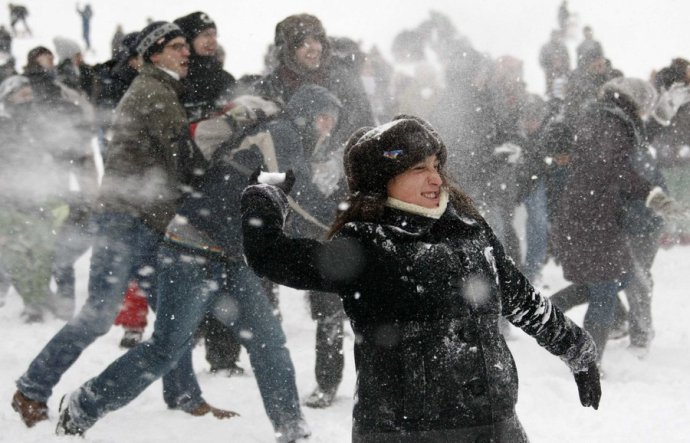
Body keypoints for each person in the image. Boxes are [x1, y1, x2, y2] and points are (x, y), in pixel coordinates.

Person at [241, 115, 601, 442]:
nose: (435, 178)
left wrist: (576, 350)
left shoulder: (470, 230)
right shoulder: (367, 245)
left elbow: (523, 300)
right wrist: (265, 198)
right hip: (405, 433)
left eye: (436, 165)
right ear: (384, 181)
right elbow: (271, 257)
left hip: (495, 428)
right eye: (418, 168)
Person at [53, 87, 331, 443]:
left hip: (231, 256)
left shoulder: (292, 142)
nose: (326, 127)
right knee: (166, 349)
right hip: (191, 248)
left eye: (331, 121)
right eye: (323, 116)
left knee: (268, 342)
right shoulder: (283, 133)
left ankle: (292, 431)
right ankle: (82, 407)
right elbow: (296, 192)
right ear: (305, 112)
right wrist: (341, 222)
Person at [10, 21, 218, 428]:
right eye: (176, 46)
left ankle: (183, 393)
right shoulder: (153, 93)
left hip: (146, 222)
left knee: (172, 316)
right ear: (154, 54)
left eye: (184, 46)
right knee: (100, 314)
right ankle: (31, 389)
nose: (185, 52)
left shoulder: (161, 90)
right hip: (125, 222)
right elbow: (184, 162)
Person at [551, 77, 690, 364]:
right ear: (635, 102)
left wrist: (661, 119)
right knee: (605, 289)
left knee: (619, 278)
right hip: (593, 216)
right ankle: (588, 362)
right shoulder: (610, 123)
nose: (644, 114)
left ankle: (546, 308)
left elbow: (628, 148)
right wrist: (653, 196)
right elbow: (614, 168)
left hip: (591, 213)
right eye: (646, 108)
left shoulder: (608, 117)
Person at [173, 10, 242, 374]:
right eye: (202, 34)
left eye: (214, 33)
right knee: (187, 275)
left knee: (225, 272)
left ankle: (224, 354)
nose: (210, 40)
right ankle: (179, 352)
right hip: (182, 189)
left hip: (220, 187)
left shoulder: (224, 79)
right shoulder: (177, 83)